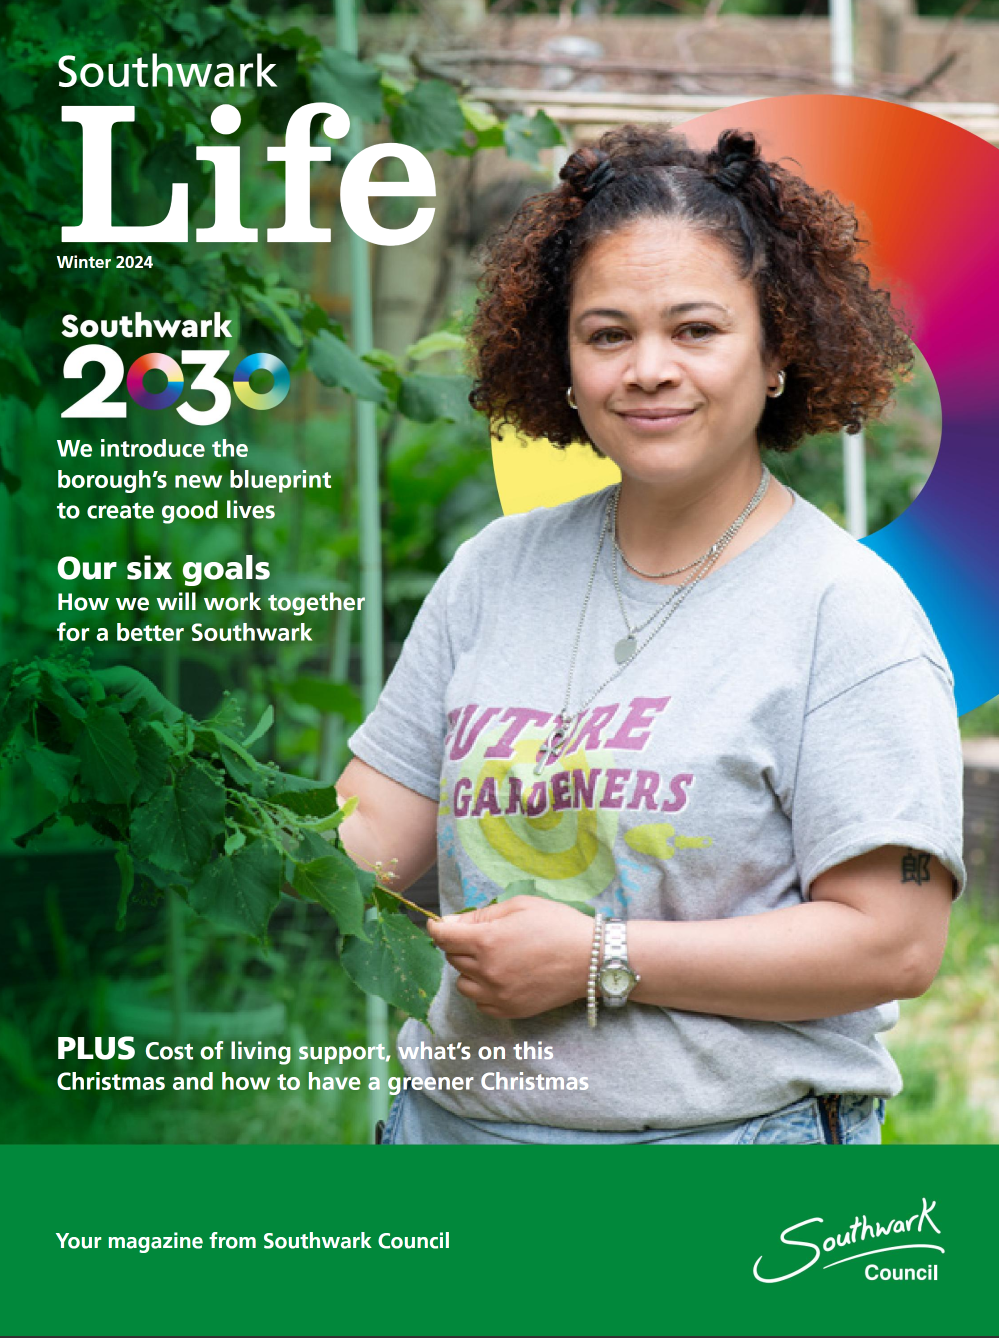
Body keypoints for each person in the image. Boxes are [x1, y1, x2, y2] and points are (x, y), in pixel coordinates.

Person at [336, 125, 965, 1145]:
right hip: (453, 1141)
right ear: (564, 366)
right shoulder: (495, 571)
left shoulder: (845, 609)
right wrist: (177, 784)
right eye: (608, 334)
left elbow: (892, 944)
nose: (649, 370)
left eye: (697, 330)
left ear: (777, 356)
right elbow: (369, 845)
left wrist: (598, 957)